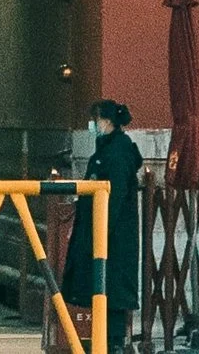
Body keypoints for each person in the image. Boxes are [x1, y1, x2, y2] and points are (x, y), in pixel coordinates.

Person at [62, 97, 142, 352]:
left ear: (107, 121)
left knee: (112, 288)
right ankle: (104, 341)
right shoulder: (106, 149)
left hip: (113, 235)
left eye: (96, 120)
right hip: (100, 231)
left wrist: (102, 229)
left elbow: (115, 195)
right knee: (100, 287)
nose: (93, 125)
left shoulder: (118, 152)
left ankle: (114, 342)